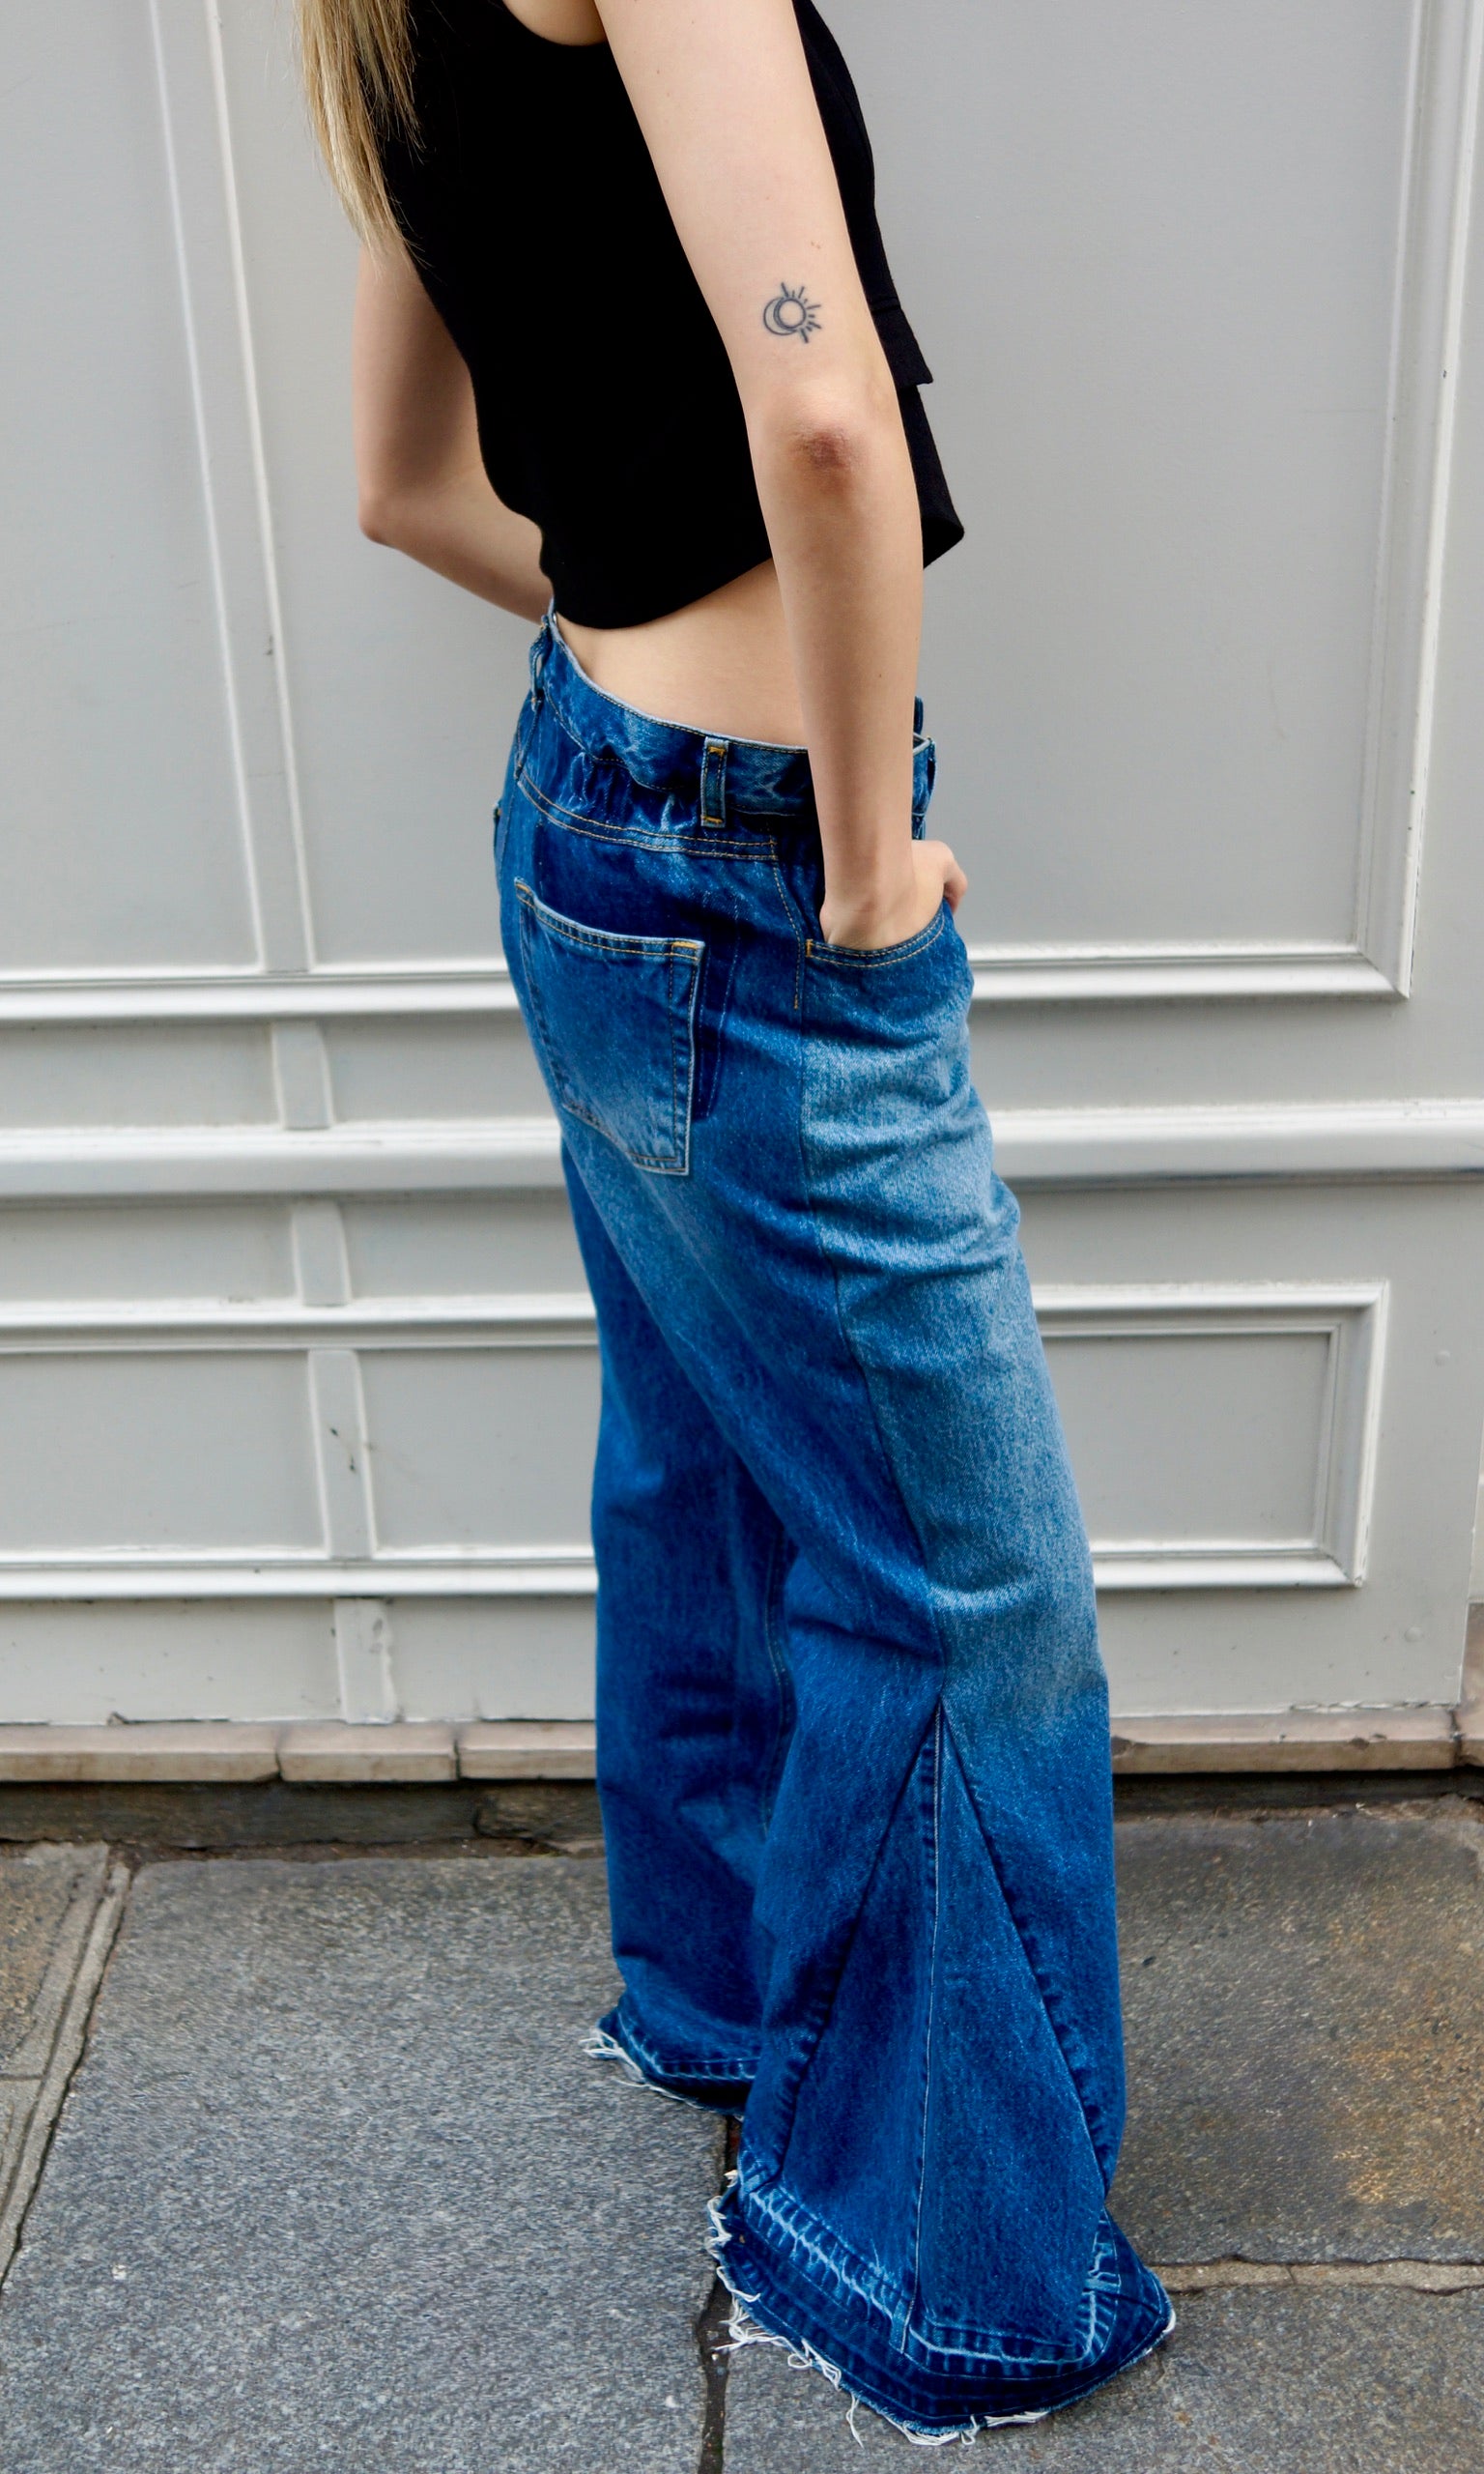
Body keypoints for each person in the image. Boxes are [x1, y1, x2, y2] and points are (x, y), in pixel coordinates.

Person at [298, 0, 1173, 2437]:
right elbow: (823, 417)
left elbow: (398, 484)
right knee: (967, 1585)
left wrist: (638, 707)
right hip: (753, 887)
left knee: (700, 1442)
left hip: (588, 820)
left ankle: (713, 1987)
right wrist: (853, 862)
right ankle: (938, 2266)